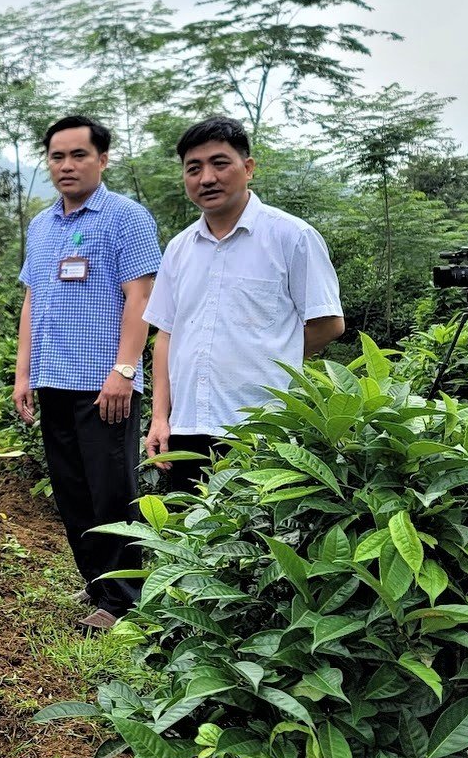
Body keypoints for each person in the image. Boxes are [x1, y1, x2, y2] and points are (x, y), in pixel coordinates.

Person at [13, 115, 161, 631]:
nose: (67, 165)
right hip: (54, 379)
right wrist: (23, 373)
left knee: (111, 491)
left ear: (102, 158)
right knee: (71, 489)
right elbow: (33, 299)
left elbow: (141, 298)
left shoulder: (127, 218)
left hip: (105, 386)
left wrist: (124, 370)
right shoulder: (41, 225)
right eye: (57, 156)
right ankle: (98, 584)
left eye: (79, 155)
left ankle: (123, 601)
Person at [145, 117, 344, 494]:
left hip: (262, 428)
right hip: (189, 426)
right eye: (194, 168)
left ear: (248, 168)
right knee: (191, 543)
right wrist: (160, 417)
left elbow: (329, 323)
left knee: (256, 543)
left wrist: (270, 352)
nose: (207, 178)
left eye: (220, 163)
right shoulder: (179, 248)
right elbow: (166, 335)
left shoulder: (292, 236)